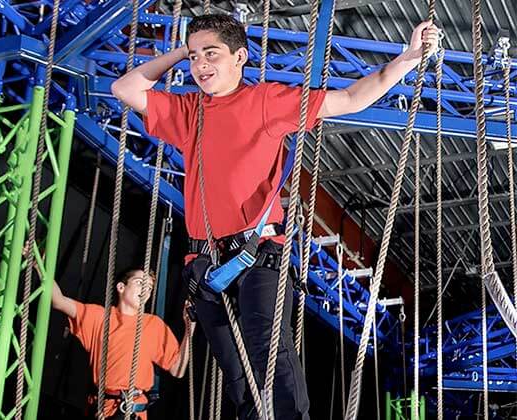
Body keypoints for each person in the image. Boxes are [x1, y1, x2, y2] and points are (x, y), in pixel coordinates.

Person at [111, 13, 439, 420]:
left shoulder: (264, 102)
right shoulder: (187, 111)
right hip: (204, 266)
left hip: (256, 254)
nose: (200, 65)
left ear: (240, 57)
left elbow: (352, 99)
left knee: (267, 348)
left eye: (211, 54)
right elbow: (125, 87)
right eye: (194, 58)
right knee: (236, 377)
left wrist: (407, 57)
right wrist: (182, 49)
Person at [51, 269, 196, 419]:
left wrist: (189, 328)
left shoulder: (154, 326)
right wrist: (39, 265)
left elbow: (178, 370)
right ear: (121, 287)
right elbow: (58, 300)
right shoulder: (99, 317)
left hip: (133, 411)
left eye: (150, 288)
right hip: (102, 409)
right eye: (140, 283)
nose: (145, 290)